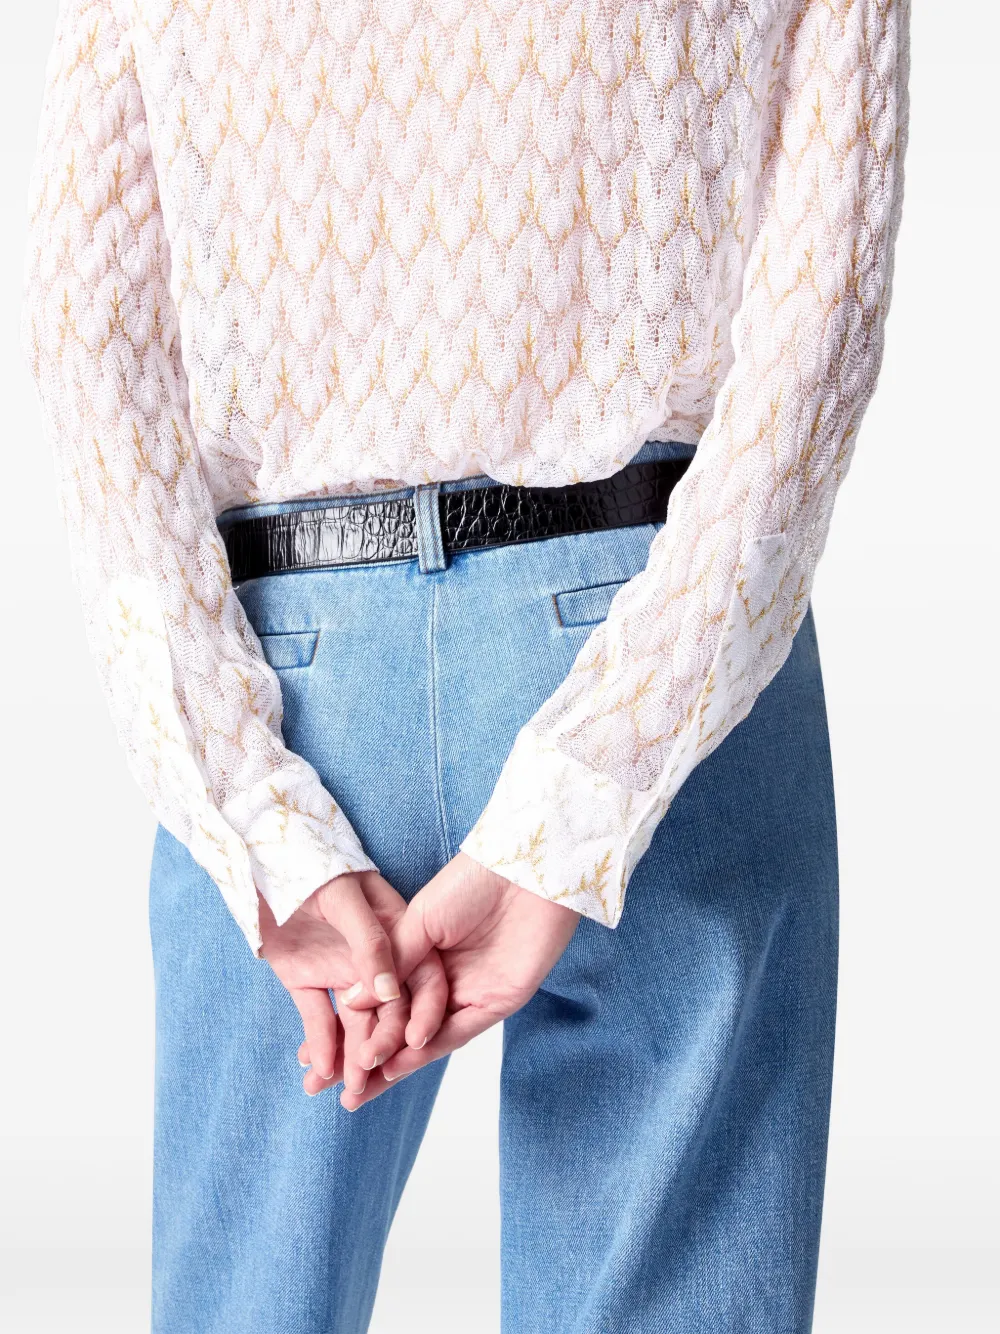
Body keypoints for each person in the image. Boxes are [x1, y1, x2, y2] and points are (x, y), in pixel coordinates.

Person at [21, 0, 909, 1330]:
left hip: (292, 675)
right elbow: (820, 315)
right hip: (663, 641)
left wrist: (247, 805)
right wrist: (599, 778)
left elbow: (89, 330)